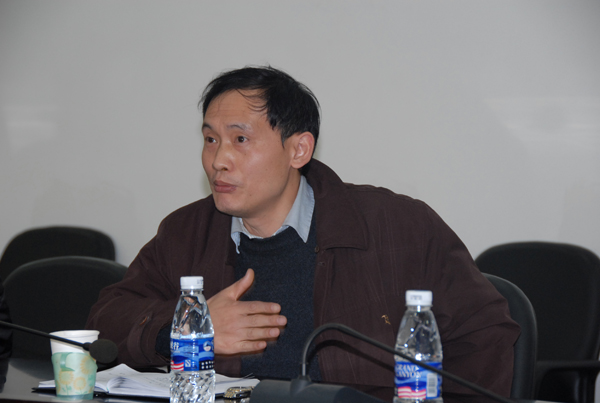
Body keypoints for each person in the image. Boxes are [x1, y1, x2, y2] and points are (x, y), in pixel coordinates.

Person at [86, 66, 519, 402]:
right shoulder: (185, 233)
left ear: (298, 149)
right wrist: (183, 330)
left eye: (240, 140)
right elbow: (106, 321)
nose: (218, 160)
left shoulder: (398, 227)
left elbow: (484, 335)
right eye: (211, 140)